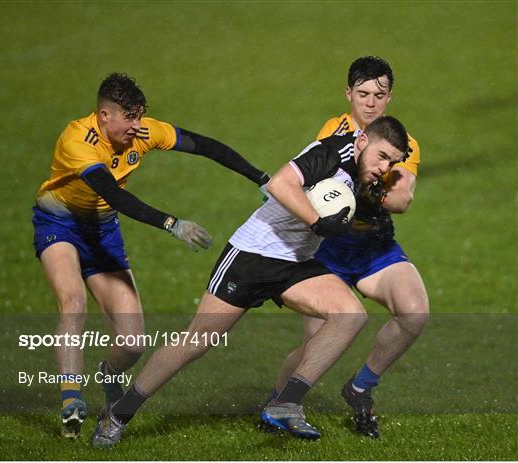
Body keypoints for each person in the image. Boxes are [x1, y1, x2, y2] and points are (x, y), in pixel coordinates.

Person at [91, 115, 410, 447]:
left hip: (294, 263)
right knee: (196, 341)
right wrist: (317, 222)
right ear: (362, 142)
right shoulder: (331, 153)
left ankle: (286, 402)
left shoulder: (364, 172)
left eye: (392, 162)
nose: (383, 166)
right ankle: (118, 415)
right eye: (382, 156)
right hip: (252, 256)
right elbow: (280, 184)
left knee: (350, 315)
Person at [32, 73, 270, 438]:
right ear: (104, 115)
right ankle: (71, 401)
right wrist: (171, 223)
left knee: (132, 343)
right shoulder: (77, 139)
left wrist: (261, 178)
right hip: (59, 224)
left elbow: (204, 145)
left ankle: (108, 374)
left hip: (104, 233)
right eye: (129, 117)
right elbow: (113, 194)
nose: (137, 126)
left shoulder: (141, 133)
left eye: (140, 115)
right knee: (73, 300)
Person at [266, 56, 429, 439]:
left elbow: (403, 198)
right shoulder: (333, 130)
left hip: (374, 246)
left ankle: (360, 387)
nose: (370, 103)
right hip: (327, 249)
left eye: (379, 95)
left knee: (414, 313)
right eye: (363, 94)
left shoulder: (403, 143)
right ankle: (278, 403)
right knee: (314, 343)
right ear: (349, 95)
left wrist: (373, 192)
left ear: (390, 98)